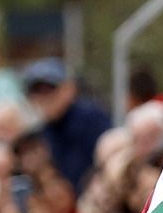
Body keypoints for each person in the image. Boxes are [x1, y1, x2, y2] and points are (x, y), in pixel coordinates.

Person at [22, 59, 115, 191]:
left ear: (69, 88)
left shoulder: (91, 118)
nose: (44, 98)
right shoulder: (42, 130)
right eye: (36, 91)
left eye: (49, 89)